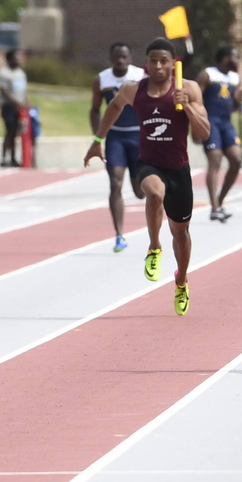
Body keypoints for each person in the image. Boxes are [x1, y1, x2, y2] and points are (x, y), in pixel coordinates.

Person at [86, 38, 209, 315]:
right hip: (148, 163)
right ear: (146, 64)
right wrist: (97, 140)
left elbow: (204, 132)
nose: (157, 66)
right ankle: (154, 247)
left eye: (163, 60)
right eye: (153, 60)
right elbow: (114, 107)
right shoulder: (134, 89)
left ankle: (181, 280)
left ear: (172, 63)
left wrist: (187, 106)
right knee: (154, 193)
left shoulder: (188, 88)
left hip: (178, 168)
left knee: (181, 233)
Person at [90, 43, 147, 251]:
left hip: (138, 134)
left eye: (124, 56)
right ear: (111, 59)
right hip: (115, 136)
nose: (120, 60)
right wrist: (98, 136)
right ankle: (119, 235)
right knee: (115, 183)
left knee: (140, 192)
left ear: (130, 58)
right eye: (117, 57)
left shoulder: (140, 76)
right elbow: (95, 109)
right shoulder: (102, 79)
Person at [198, 45, 242, 221]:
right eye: (236, 57)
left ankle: (220, 200)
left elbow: (233, 107)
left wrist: (238, 101)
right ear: (225, 58)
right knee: (215, 159)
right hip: (210, 123)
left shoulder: (235, 78)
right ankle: (214, 207)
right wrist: (196, 125)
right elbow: (196, 100)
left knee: (237, 159)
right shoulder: (208, 74)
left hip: (226, 123)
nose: (238, 61)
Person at [0, 49, 30, 167]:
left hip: (20, 109)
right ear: (10, 59)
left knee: (16, 133)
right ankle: (4, 157)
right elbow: (4, 91)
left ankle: (13, 158)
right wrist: (17, 103)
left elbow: (24, 90)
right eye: (16, 57)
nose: (19, 60)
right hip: (9, 107)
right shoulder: (4, 73)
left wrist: (27, 103)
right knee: (9, 132)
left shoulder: (21, 73)